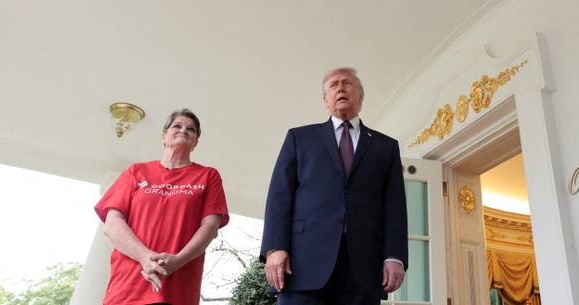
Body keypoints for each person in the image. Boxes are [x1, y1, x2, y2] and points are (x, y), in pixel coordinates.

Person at [261, 67, 408, 304]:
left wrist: (395, 256)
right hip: (302, 264)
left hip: (363, 266)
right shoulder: (299, 138)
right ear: (325, 100)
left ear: (360, 96)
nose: (340, 88)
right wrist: (274, 248)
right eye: (333, 85)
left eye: (347, 83)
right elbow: (279, 195)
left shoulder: (386, 147)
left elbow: (395, 206)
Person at [94, 109, 229, 305]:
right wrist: (144, 257)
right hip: (127, 288)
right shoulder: (136, 171)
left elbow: (210, 227)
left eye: (191, 129)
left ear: (196, 143)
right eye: (177, 126)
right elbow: (112, 224)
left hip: (176, 290)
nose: (184, 130)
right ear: (163, 137)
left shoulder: (208, 176)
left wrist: (177, 260)